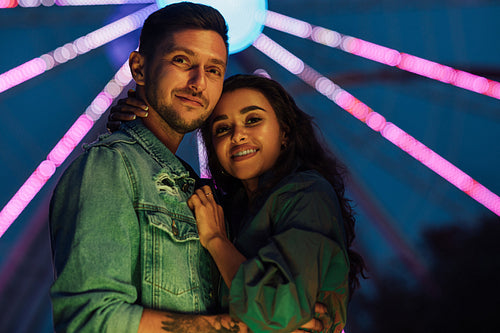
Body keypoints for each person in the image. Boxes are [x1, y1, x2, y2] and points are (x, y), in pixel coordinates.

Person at [50, 2, 327, 332]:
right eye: (182, 61)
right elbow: (90, 320)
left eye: (214, 70)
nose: (198, 82)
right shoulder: (111, 166)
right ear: (138, 68)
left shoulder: (205, 195)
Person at [111, 74, 367, 332]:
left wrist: (216, 240)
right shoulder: (228, 208)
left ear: (285, 133)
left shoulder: (307, 194)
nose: (238, 135)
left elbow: (272, 308)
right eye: (222, 129)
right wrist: (133, 127)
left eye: (253, 120)